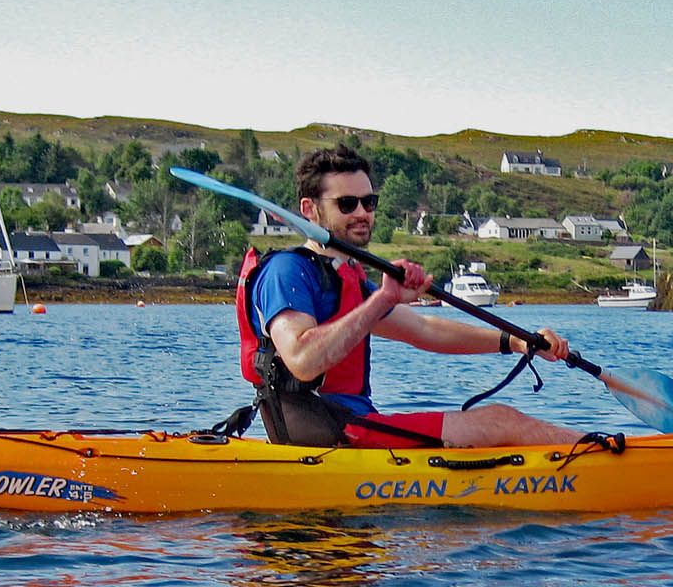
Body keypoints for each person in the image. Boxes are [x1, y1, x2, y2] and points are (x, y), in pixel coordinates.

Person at [237, 145, 598, 449]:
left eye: (369, 201)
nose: (362, 212)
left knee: (498, 422)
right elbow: (302, 358)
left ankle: (604, 451)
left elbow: (425, 329)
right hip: (331, 432)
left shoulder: (344, 277)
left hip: (352, 427)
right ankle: (607, 454)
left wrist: (517, 342)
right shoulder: (287, 271)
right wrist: (383, 298)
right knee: (501, 422)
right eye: (347, 204)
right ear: (309, 209)